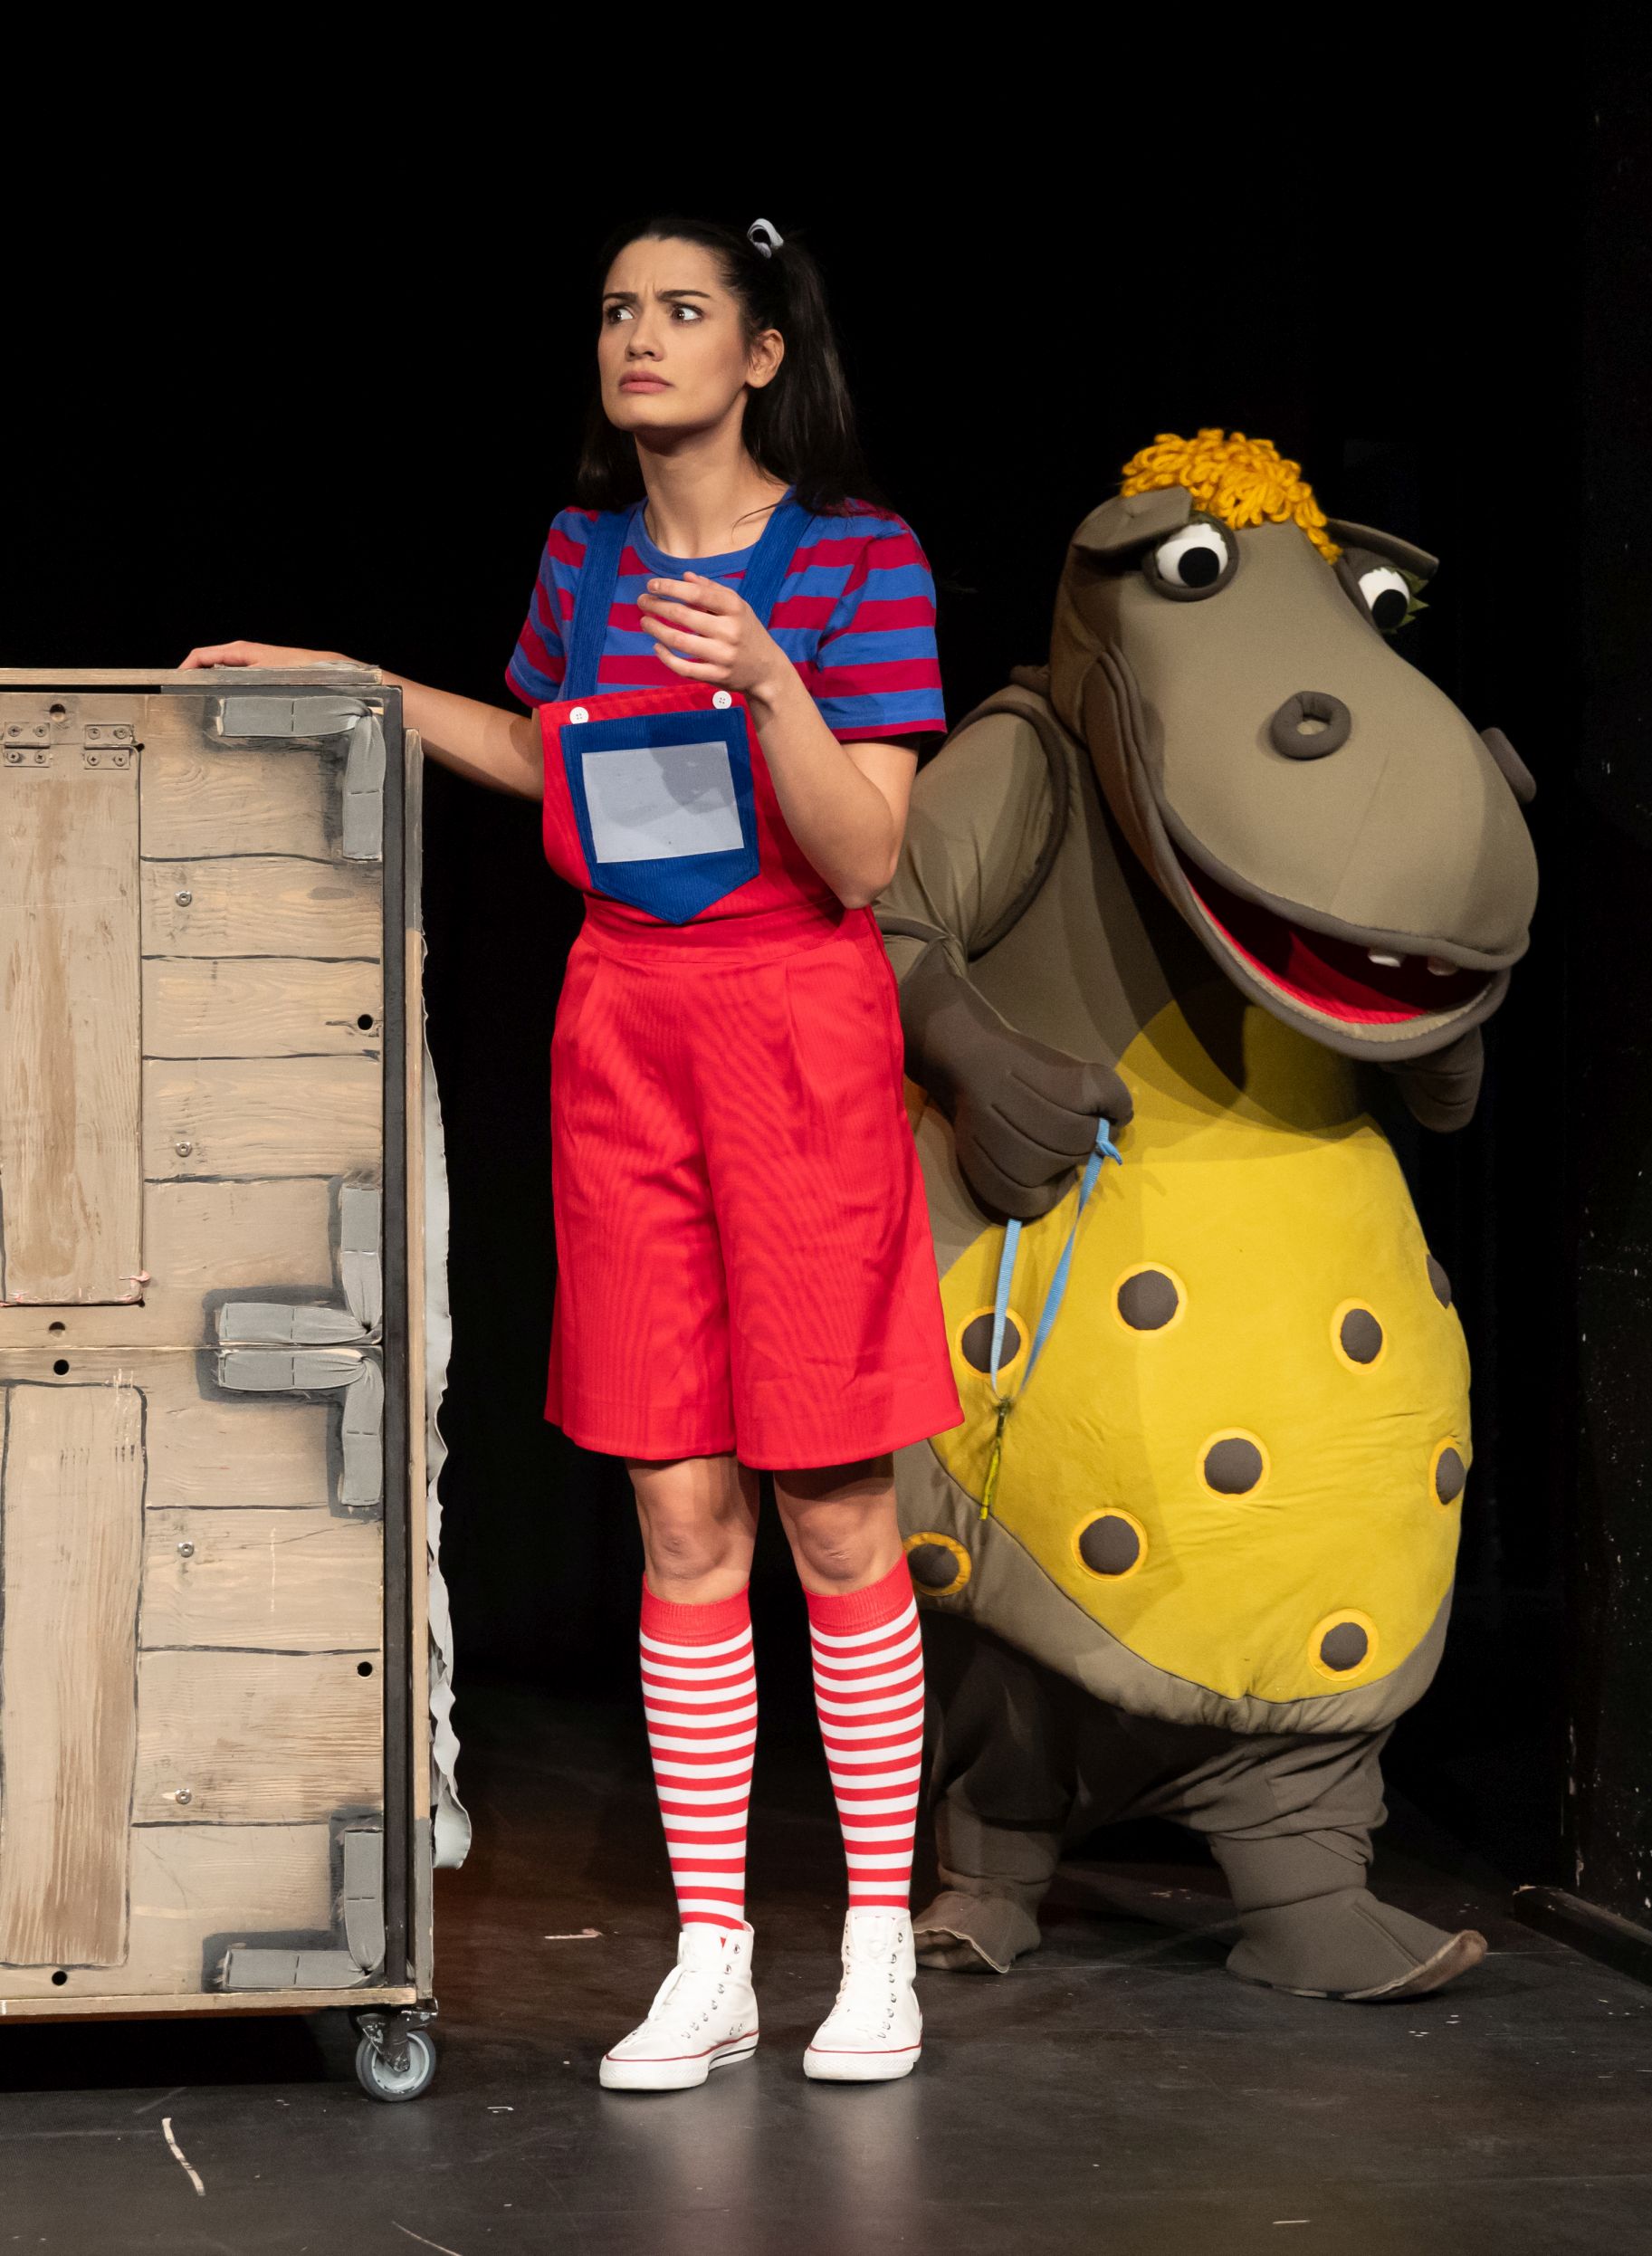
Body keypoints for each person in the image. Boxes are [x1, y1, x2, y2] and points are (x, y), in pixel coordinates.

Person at [183, 212, 964, 2090]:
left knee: (831, 1502)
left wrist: (770, 678)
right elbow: (561, 760)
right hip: (625, 1029)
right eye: (619, 311)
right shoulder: (583, 556)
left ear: (761, 353)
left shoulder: (857, 558)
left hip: (794, 1027)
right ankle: (713, 1957)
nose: (641, 338)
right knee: (679, 1511)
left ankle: (876, 1946)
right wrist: (363, 680)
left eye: (683, 311)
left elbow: (866, 853)